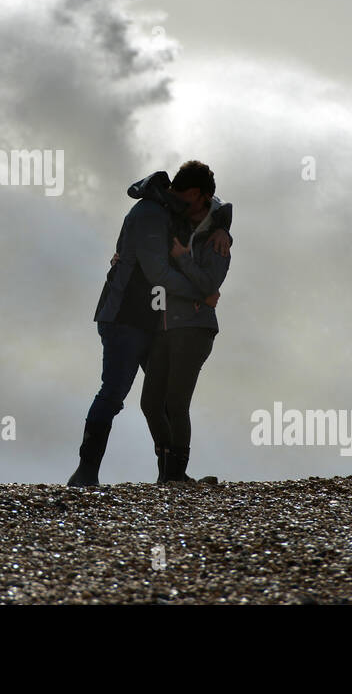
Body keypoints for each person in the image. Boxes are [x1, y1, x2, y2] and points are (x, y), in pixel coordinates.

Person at [67, 166, 232, 487]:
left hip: (153, 320)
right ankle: (85, 472)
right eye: (201, 199)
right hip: (124, 317)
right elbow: (157, 272)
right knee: (114, 394)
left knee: (163, 401)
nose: (200, 207)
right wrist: (203, 292)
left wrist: (224, 227)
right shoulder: (148, 213)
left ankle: (171, 475)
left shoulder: (171, 207)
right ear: (194, 193)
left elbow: (216, 208)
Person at [140, 160, 231, 484]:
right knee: (151, 403)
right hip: (164, 324)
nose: (181, 201)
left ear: (202, 196)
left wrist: (181, 258)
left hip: (195, 328)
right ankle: (171, 474)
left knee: (176, 402)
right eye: (178, 194)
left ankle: (175, 476)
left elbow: (209, 285)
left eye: (187, 196)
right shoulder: (176, 221)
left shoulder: (218, 241)